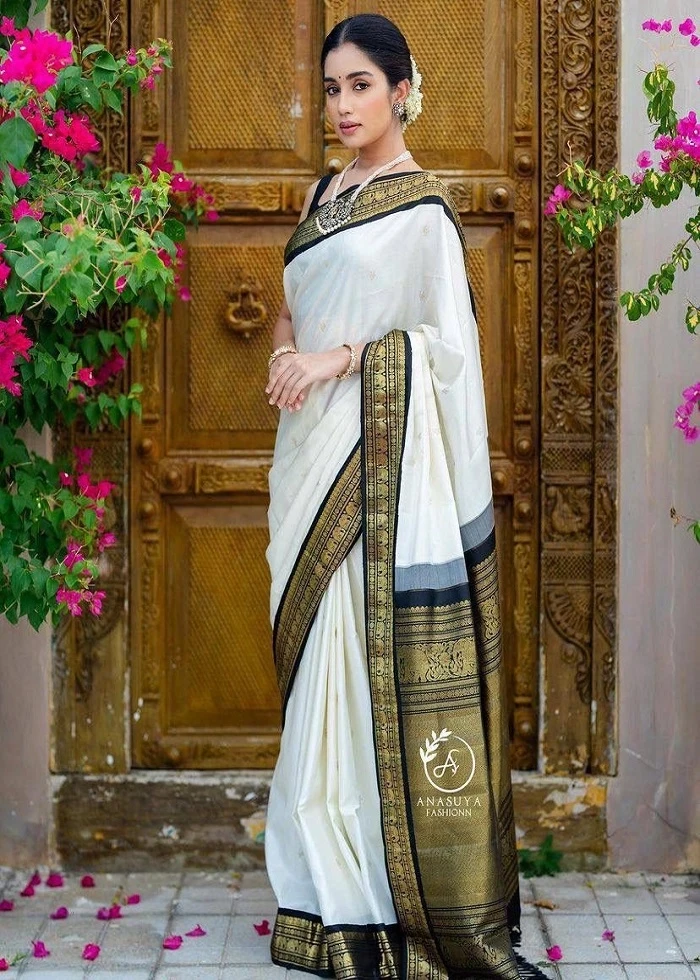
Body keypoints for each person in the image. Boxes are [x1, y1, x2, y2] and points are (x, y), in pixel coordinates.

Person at [263, 14, 545, 980]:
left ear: (401, 89)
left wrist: (338, 359)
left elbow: (447, 350)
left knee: (363, 662)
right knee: (319, 673)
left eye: (360, 86)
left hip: (379, 472)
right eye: (332, 88)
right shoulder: (324, 193)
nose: (342, 106)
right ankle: (319, 893)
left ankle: (383, 902)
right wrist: (285, 357)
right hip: (308, 456)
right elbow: (294, 303)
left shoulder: (423, 209)